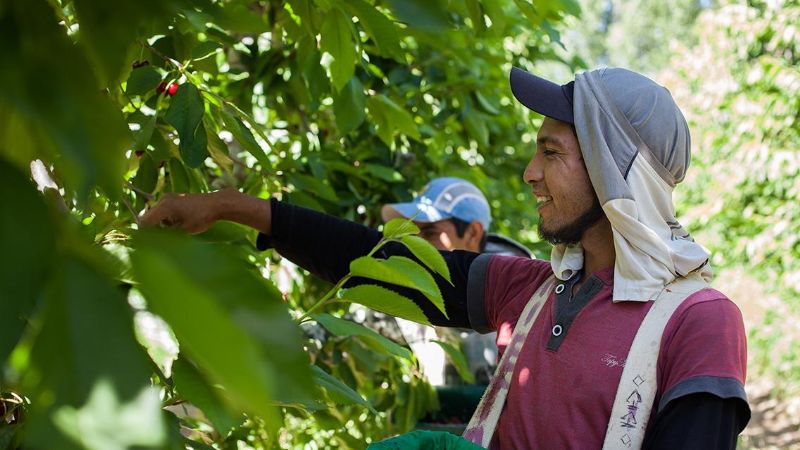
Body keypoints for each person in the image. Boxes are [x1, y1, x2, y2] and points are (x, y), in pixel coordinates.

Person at [141, 66, 750, 449]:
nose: (529, 173)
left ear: (616, 172)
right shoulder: (536, 291)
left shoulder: (698, 324)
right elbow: (378, 264)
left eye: (551, 152)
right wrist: (237, 208)